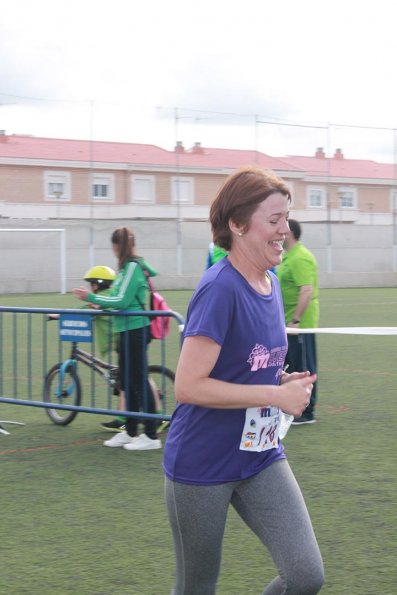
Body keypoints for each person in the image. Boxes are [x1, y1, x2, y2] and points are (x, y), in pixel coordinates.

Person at [163, 166, 324, 594]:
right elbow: (188, 386)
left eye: (285, 219)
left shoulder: (270, 284)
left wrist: (282, 379)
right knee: (197, 587)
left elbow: (250, 365)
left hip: (260, 455)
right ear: (237, 224)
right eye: (273, 221)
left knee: (306, 575)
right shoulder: (220, 289)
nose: (284, 231)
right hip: (202, 463)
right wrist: (275, 392)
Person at [73, 227, 161, 451]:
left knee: (138, 379)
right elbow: (114, 296)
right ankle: (130, 431)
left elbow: (121, 300)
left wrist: (92, 297)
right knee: (127, 381)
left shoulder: (132, 267)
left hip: (135, 329)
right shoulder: (124, 269)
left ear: (117, 246)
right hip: (125, 329)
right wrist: (98, 301)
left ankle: (151, 435)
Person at [277, 219, 319, 425]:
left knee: (303, 366)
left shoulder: (300, 257)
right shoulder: (288, 257)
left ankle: (307, 412)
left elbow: (306, 289)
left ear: (290, 233)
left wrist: (296, 320)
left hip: (300, 324)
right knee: (292, 364)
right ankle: (293, 407)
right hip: (288, 323)